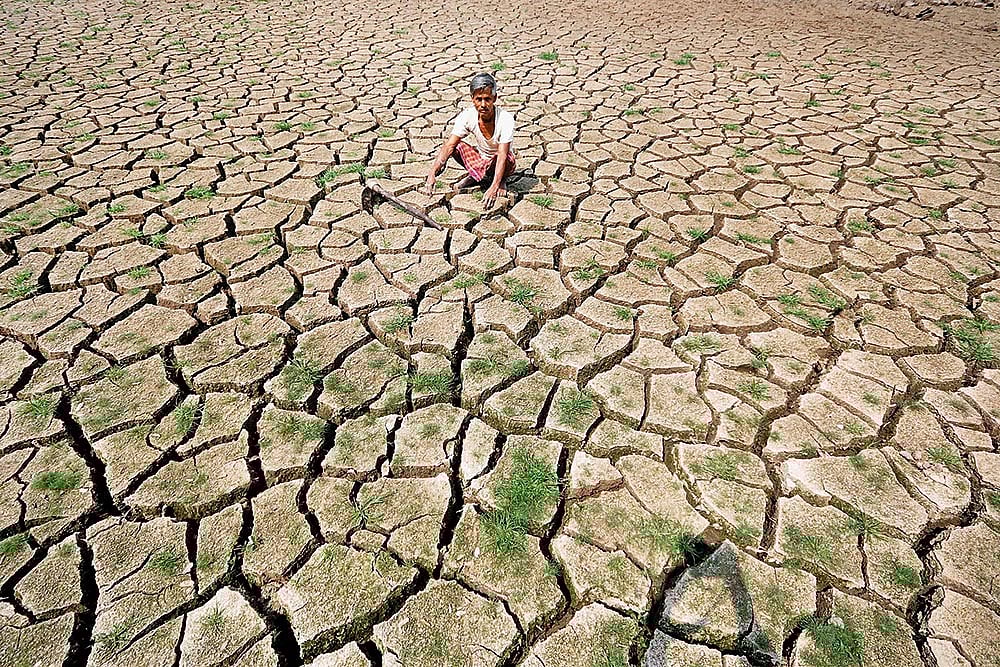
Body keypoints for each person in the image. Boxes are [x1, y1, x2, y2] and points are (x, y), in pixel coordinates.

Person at [424, 72, 516, 209]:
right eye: (479, 99)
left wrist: (494, 187)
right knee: (456, 146)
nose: (483, 104)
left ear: (495, 98)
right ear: (472, 99)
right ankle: (476, 175)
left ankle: (499, 179)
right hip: (482, 160)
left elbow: (502, 154)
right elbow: (449, 145)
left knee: (504, 156)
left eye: (487, 99)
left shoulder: (505, 119)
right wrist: (432, 173)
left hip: (503, 162)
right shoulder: (467, 116)